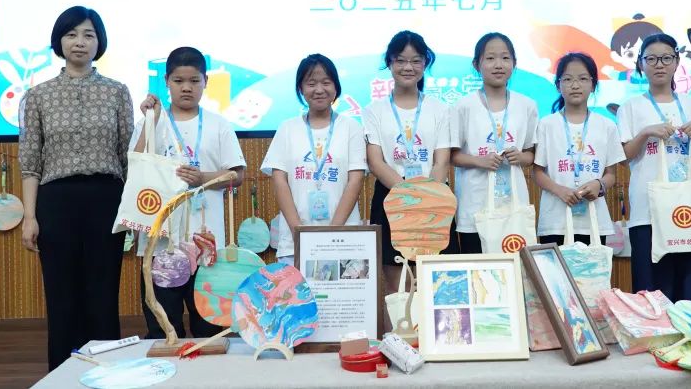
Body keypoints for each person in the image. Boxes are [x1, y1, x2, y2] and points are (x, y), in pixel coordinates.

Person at [18, 6, 133, 370]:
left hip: (106, 199)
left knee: (103, 293)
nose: (79, 42)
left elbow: (127, 157)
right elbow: (30, 162)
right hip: (56, 201)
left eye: (88, 35)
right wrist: (29, 217)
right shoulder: (38, 96)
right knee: (61, 295)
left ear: (99, 42)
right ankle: (62, 375)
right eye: (71, 34)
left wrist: (132, 213)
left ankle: (107, 374)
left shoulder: (117, 92)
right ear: (59, 41)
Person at [131, 47, 246, 339]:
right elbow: (137, 166)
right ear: (166, 82)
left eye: (194, 81)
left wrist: (203, 178)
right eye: (178, 80)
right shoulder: (151, 121)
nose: (186, 87)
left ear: (206, 82)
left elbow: (238, 175)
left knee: (209, 328)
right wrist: (150, 120)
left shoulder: (219, 125)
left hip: (207, 243)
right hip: (160, 244)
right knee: (163, 328)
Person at [617, 34, 691, 302]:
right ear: (641, 64)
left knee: (689, 291)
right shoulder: (630, 107)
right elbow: (625, 156)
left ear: (676, 62)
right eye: (651, 59)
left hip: (688, 208)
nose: (659, 64)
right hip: (647, 211)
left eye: (666, 58)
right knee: (651, 292)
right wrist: (645, 133)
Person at [261, 54, 366, 265]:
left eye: (326, 82)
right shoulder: (287, 128)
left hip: (343, 240)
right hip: (294, 242)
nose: (319, 90)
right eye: (311, 83)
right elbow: (280, 181)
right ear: (301, 88)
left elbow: (355, 181)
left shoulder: (351, 128)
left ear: (336, 87)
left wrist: (331, 236)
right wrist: (298, 233)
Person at [363, 31, 458, 265]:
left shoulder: (440, 109)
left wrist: (426, 197)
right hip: (391, 196)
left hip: (435, 197)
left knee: (436, 275)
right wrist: (408, 195)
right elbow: (375, 161)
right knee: (397, 276)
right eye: (400, 60)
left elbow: (441, 161)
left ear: (425, 63)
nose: (408, 67)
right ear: (390, 63)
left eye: (416, 60)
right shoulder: (373, 110)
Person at [450, 33, 537, 254]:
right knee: (476, 269)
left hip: (514, 208)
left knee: (515, 269)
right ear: (476, 64)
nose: (498, 65)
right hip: (474, 207)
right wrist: (479, 161)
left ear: (514, 63)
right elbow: (453, 155)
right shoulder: (463, 106)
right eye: (490, 58)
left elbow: (531, 154)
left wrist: (520, 157)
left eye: (505, 58)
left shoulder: (527, 105)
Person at [534, 53, 624, 246]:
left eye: (583, 79)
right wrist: (560, 191)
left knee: (593, 267)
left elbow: (611, 175)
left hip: (594, 221)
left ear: (593, 85)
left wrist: (599, 185)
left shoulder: (607, 126)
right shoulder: (546, 125)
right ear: (558, 85)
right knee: (555, 267)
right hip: (555, 222)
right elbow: (538, 173)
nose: (575, 85)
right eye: (567, 79)